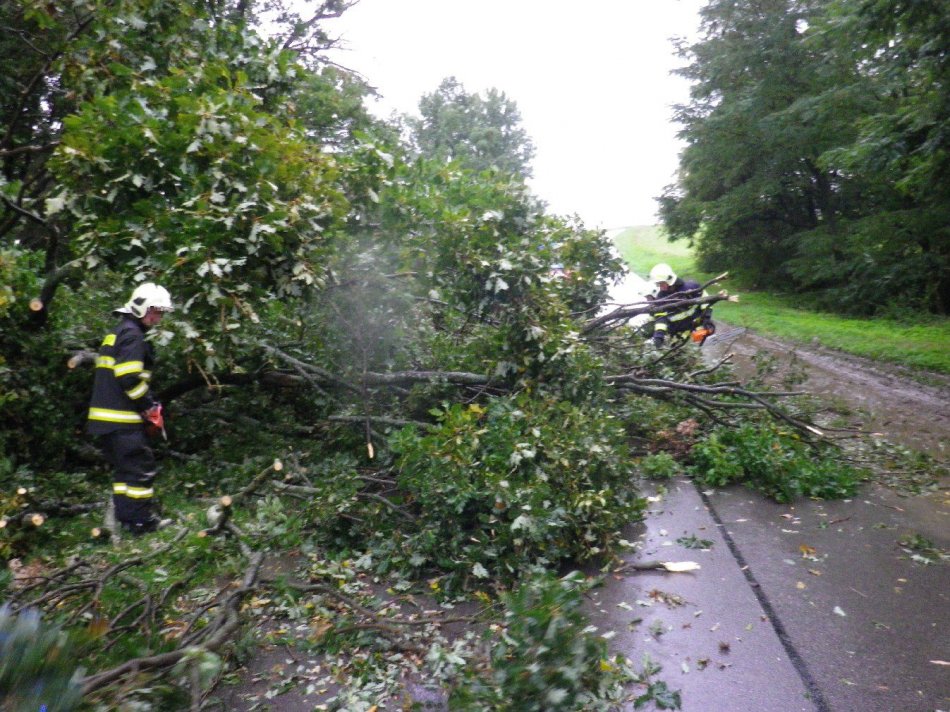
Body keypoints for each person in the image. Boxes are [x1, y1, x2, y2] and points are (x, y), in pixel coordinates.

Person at [86, 283, 173, 535]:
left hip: (107, 421)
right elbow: (129, 378)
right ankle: (142, 523)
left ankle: (127, 520)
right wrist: (148, 407)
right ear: (140, 307)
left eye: (160, 313)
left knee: (125, 472)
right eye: (154, 311)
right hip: (122, 420)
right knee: (140, 469)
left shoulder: (119, 332)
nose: (157, 318)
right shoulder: (133, 335)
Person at [648, 263, 715, 347]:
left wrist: (707, 319)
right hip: (678, 331)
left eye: (661, 283)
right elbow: (661, 317)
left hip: (696, 325)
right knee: (674, 349)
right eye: (658, 284)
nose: (660, 287)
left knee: (708, 334)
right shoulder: (661, 298)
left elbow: (706, 301)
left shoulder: (691, 287)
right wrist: (659, 336)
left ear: (670, 280)